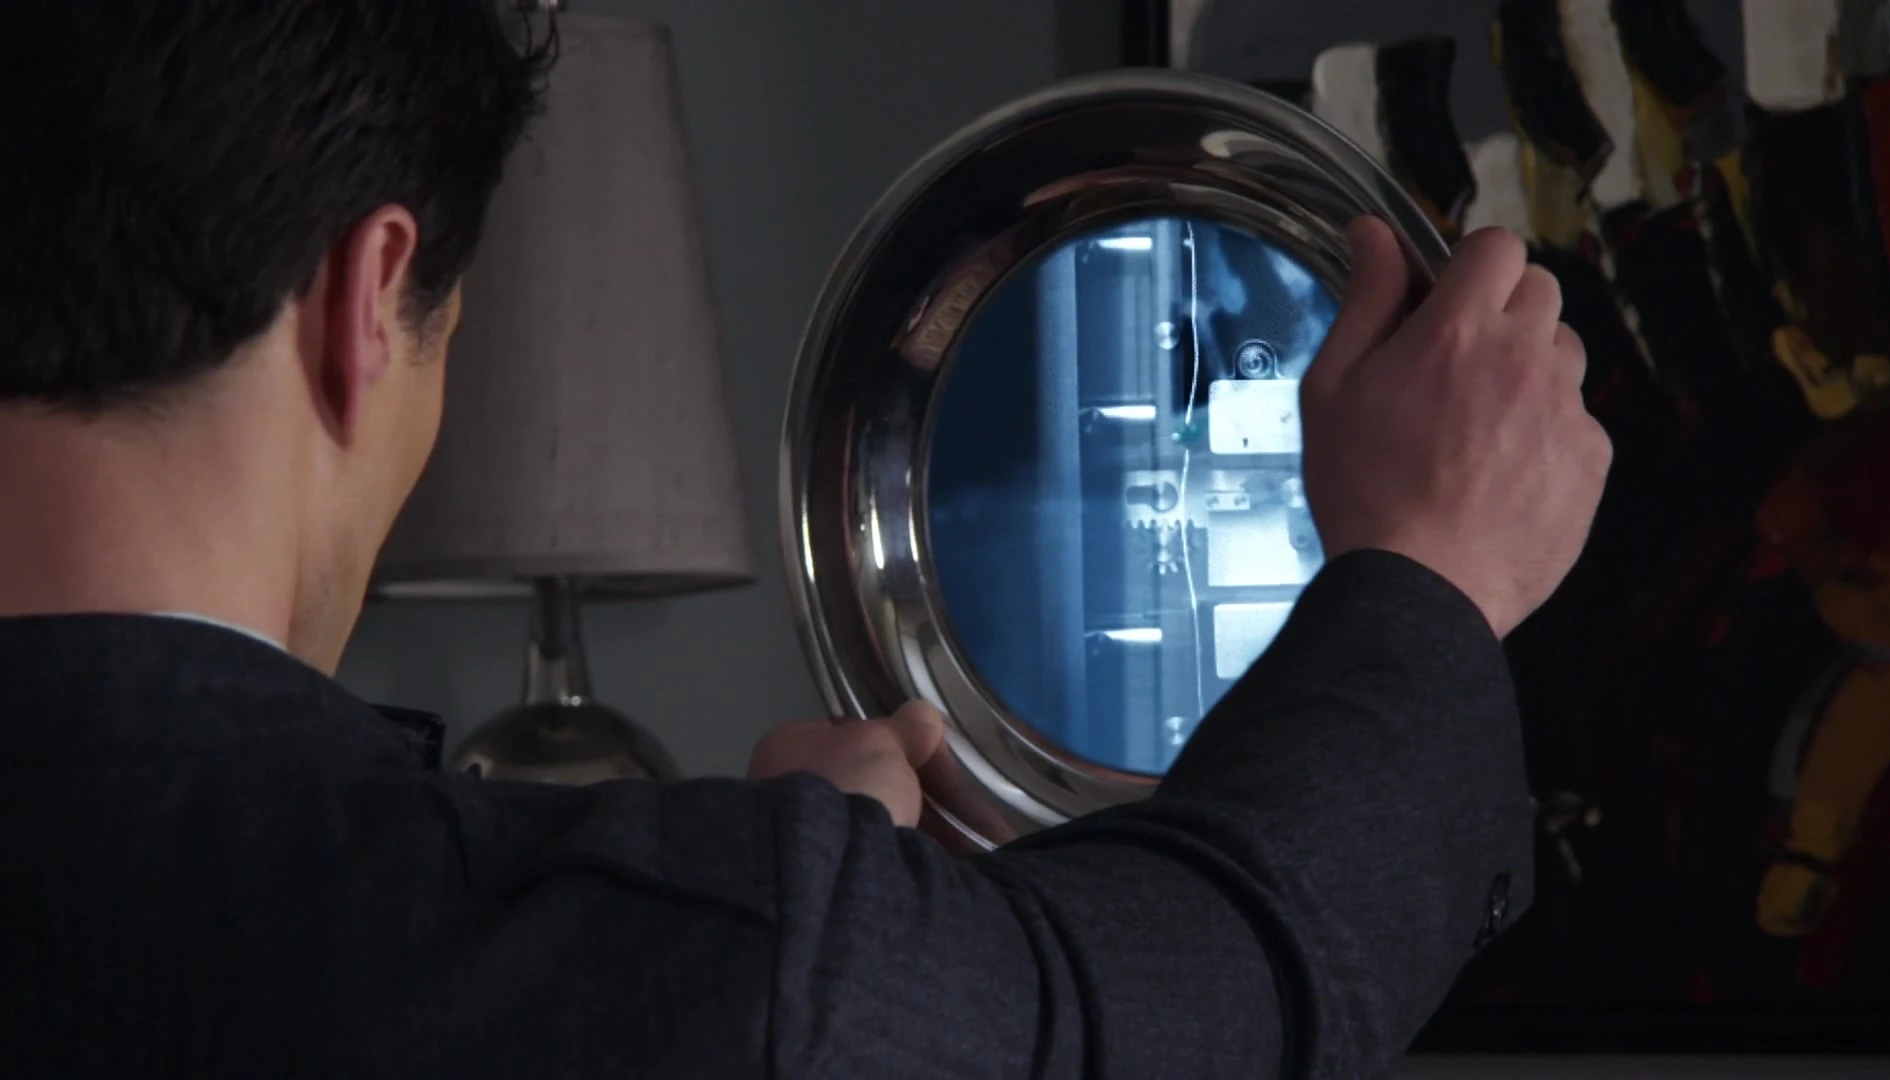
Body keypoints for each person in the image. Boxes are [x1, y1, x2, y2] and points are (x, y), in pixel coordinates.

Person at [0, 3, 1610, 1078]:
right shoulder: (626, 961)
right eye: (449, 336)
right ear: (369, 302)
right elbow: (1207, 994)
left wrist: (789, 918)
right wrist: (1427, 572)